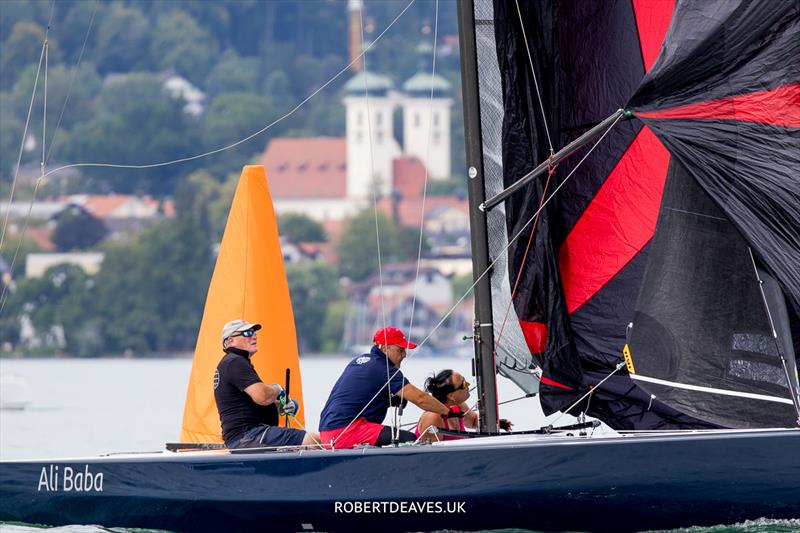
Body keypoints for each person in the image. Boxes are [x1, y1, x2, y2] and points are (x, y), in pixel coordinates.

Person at [319, 326, 455, 449]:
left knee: (392, 438)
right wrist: (448, 412)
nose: (404, 354)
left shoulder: (359, 361)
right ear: (385, 349)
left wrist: (388, 400)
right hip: (346, 432)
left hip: (327, 433)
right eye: (400, 350)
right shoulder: (384, 369)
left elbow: (359, 396)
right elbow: (420, 398)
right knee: (410, 440)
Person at [213, 319, 320, 449]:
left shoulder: (233, 363)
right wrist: (278, 388)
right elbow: (262, 397)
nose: (253, 336)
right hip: (248, 436)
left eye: (254, 332)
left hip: (247, 436)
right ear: (230, 341)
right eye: (247, 333)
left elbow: (245, 404)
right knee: (314, 440)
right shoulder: (234, 362)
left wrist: (281, 406)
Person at [416, 369, 513, 443]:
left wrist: (496, 423)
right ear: (451, 396)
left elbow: (474, 421)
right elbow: (429, 456)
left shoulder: (458, 406)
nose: (468, 384)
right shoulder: (433, 417)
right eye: (463, 384)